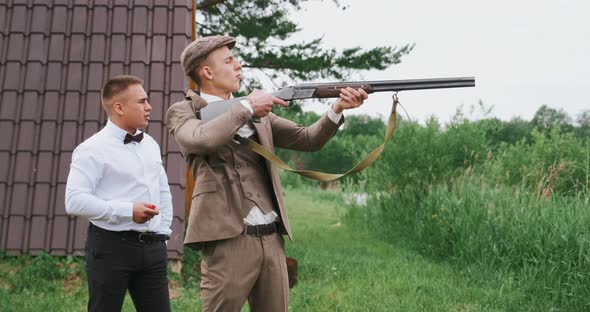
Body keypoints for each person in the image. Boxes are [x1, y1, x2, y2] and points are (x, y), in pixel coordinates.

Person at [165, 35, 368, 312]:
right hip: (227, 241)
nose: (238, 66)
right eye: (229, 60)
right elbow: (201, 139)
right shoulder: (183, 111)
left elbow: (308, 139)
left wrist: (337, 109)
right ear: (207, 71)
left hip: (272, 238)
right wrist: (247, 107)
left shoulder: (260, 111)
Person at [65, 75, 173, 312]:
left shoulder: (151, 144)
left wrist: (163, 232)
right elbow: (74, 201)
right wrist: (127, 211)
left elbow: (162, 190)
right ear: (119, 107)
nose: (149, 107)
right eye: (142, 101)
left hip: (153, 249)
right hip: (111, 247)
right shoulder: (91, 149)